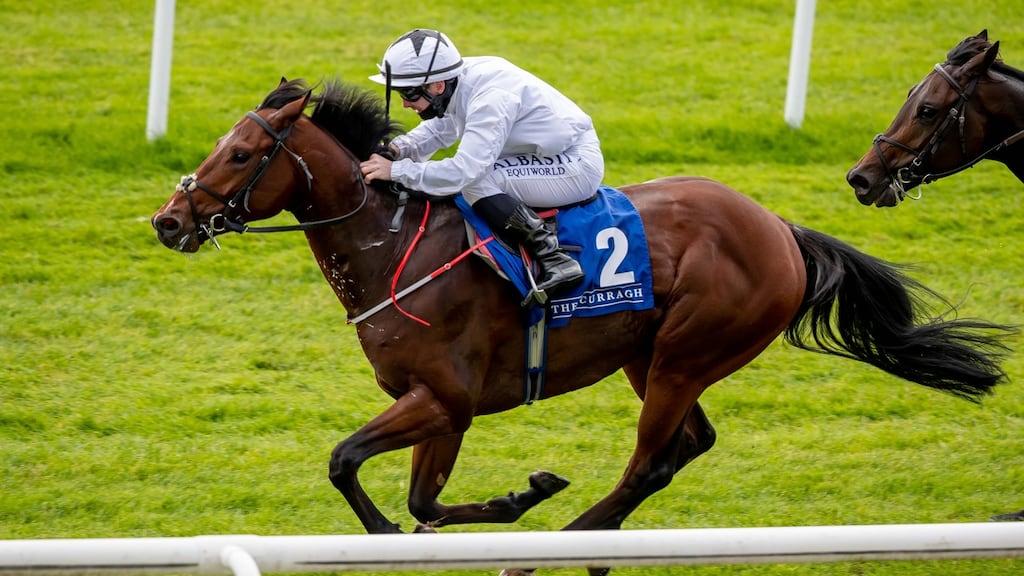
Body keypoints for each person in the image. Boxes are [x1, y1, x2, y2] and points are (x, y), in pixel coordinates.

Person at [359, 28, 605, 297]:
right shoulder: (457, 81)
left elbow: (463, 171)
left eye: (409, 94)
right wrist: (397, 149)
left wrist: (396, 171)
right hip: (542, 155)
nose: (405, 104)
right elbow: (442, 128)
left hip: (575, 163)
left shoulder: (491, 98)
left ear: (437, 86)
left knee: (478, 182)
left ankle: (554, 257)